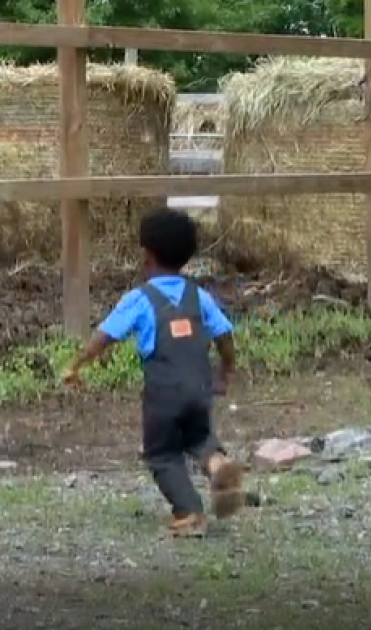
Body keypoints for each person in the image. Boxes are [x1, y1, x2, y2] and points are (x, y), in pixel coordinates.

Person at [62, 208, 245, 538]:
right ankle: (217, 465)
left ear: (146, 255)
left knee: (162, 453)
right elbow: (224, 335)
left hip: (164, 392)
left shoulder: (140, 299)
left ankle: (189, 513)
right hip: (199, 385)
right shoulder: (198, 295)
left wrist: (76, 366)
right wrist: (226, 370)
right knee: (200, 437)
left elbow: (103, 337)